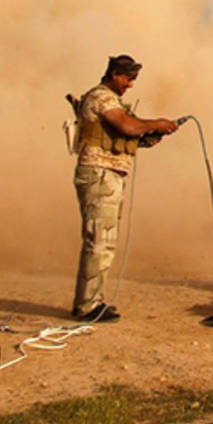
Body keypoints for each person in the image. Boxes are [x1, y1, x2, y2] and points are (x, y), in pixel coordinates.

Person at [72, 54, 178, 321]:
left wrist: (149, 137)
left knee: (104, 240)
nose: (131, 84)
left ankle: (92, 301)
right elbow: (127, 126)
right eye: (128, 78)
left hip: (109, 175)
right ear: (115, 75)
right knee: (99, 240)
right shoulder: (101, 96)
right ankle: (87, 306)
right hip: (99, 174)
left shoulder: (113, 101)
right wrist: (156, 123)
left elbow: (124, 135)